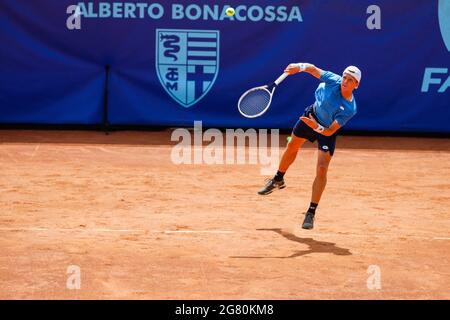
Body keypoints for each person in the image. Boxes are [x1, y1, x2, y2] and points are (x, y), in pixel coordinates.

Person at [258, 63, 361, 230]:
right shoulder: (334, 80)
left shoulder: (350, 108)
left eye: (351, 80)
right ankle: (278, 179)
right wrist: (299, 67)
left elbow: (329, 131)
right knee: (292, 146)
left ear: (356, 85)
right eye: (345, 77)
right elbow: (313, 69)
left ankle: (311, 212)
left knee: (322, 168)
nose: (345, 81)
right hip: (310, 116)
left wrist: (316, 127)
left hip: (323, 129)